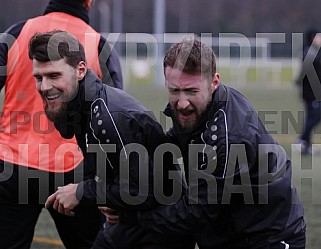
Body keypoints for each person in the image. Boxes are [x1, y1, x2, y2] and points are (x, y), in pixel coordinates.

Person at [115, 38, 306, 249]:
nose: (182, 102)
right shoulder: (208, 105)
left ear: (214, 82)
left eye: (191, 91)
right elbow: (172, 144)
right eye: (174, 90)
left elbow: (196, 212)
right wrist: (121, 185)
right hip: (236, 231)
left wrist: (129, 215)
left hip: (268, 239)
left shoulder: (229, 138)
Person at [30, 30, 195, 249]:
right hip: (134, 220)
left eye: (54, 76)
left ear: (80, 70)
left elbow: (140, 191)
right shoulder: (82, 105)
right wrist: (109, 199)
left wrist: (81, 191)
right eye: (38, 78)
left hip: (161, 228)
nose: (44, 86)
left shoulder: (110, 119)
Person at [0, 0, 122, 248]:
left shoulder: (17, 33)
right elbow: (116, 118)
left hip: (10, 163)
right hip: (72, 168)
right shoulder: (97, 44)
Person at [295, 28, 321, 155]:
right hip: (311, 92)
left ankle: (306, 144)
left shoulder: (315, 52)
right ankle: (302, 140)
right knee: (314, 116)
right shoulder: (310, 53)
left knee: (313, 116)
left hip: (315, 92)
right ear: (312, 38)